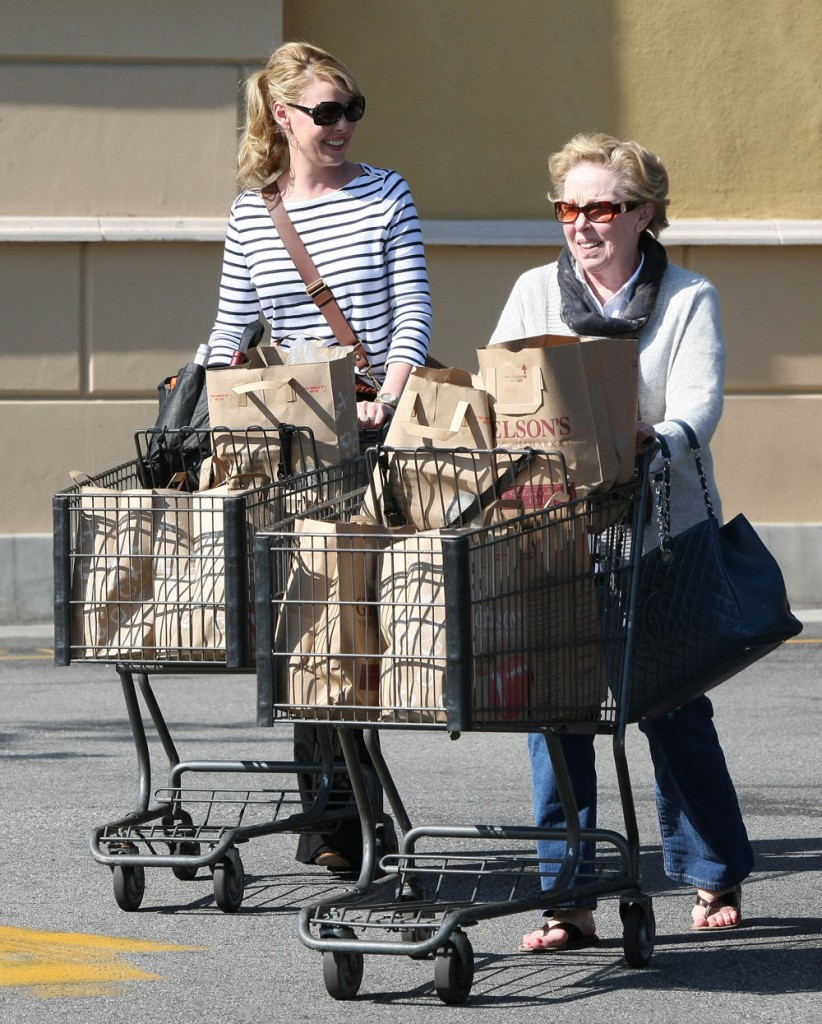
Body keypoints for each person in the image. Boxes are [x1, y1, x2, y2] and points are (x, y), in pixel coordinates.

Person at [488, 132, 754, 951]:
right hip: (556, 540)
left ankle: (711, 873)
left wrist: (653, 439)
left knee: (673, 707)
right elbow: (504, 388)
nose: (581, 225)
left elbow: (699, 408)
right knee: (556, 717)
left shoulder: (686, 296)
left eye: (600, 208)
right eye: (568, 208)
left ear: (643, 213)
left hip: (658, 536)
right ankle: (568, 900)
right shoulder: (536, 290)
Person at [206, 41, 432, 870]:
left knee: (352, 630)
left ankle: (343, 824)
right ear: (282, 117)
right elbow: (233, 329)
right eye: (326, 113)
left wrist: (389, 396)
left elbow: (412, 315)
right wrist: (196, 394)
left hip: (368, 434)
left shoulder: (384, 194)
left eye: (351, 110)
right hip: (288, 438)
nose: (342, 127)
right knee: (306, 625)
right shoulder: (252, 211)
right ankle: (338, 823)